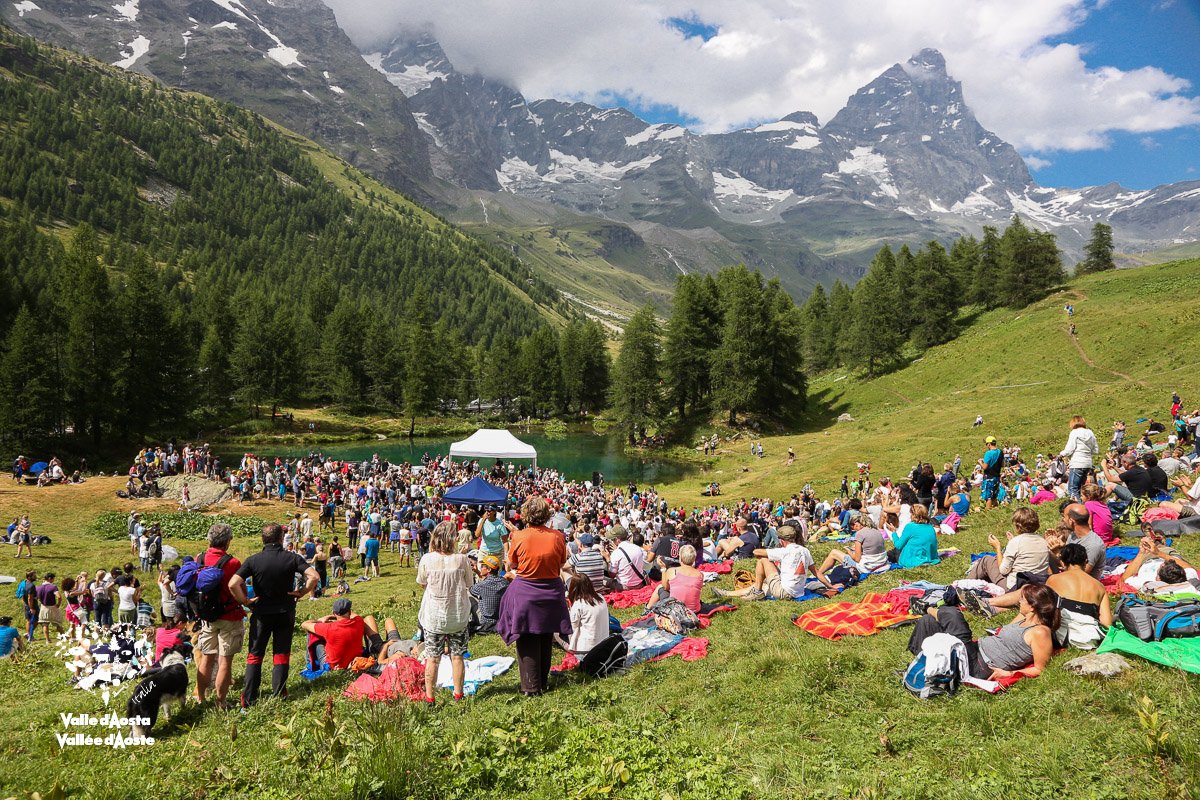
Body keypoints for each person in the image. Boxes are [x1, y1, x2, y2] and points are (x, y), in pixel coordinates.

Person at [228, 523, 320, 708]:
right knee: (281, 653)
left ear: (263, 539)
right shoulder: (292, 557)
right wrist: (301, 592)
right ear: (280, 538)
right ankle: (279, 693)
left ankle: (249, 698)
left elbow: (233, 584)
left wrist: (245, 601)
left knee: (255, 655)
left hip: (261, 613)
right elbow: (314, 576)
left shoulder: (253, 560)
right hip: (285, 611)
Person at [967, 544, 1111, 649]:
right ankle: (995, 613)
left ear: (1062, 562)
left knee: (1034, 602)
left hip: (1064, 637)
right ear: (1085, 561)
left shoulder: (1055, 579)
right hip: (1091, 639)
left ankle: (1004, 630)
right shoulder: (1099, 586)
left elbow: (1039, 604)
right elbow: (1107, 623)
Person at [497, 496, 571, 697]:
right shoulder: (557, 536)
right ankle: (543, 682)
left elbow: (513, 564)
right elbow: (561, 562)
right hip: (551, 592)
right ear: (546, 514)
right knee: (546, 636)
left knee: (527, 638)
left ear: (525, 514)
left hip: (527, 592)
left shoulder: (519, 536)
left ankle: (531, 687)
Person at [908, 583, 1060, 680]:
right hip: (975, 650)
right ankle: (918, 666)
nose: (1019, 601)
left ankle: (926, 608)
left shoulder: (1040, 632)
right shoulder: (1025, 619)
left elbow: (1039, 668)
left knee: (953, 615)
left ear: (1032, 607)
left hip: (980, 666)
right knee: (928, 622)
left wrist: (1010, 674)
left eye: (1022, 600)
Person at [415, 520, 475, 702]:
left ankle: (430, 698)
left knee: (432, 658)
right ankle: (458, 694)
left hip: (434, 617)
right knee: (457, 656)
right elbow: (469, 583)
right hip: (457, 615)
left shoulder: (427, 559)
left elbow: (422, 583)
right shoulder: (462, 560)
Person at [713, 524, 839, 601]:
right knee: (762, 585)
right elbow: (817, 572)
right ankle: (728, 593)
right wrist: (830, 586)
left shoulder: (783, 551)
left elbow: (756, 552)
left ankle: (756, 593)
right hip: (797, 592)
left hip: (785, 592)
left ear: (781, 540)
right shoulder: (805, 551)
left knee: (763, 560)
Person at [194, 523, 245, 710]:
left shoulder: (199, 558)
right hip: (229, 615)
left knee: (206, 658)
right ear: (227, 541)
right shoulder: (233, 563)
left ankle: (200, 698)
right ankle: (220, 702)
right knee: (225, 661)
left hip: (207, 617)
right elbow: (238, 588)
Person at [968, 507, 1050, 588]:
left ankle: (964, 586)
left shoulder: (1016, 542)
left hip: (1015, 587)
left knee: (986, 560)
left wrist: (997, 548)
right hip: (1038, 586)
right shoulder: (1043, 541)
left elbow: (1003, 571)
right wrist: (1013, 541)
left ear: (1018, 526)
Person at [300, 598, 372, 670]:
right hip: (353, 661)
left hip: (333, 667)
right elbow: (354, 615)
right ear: (349, 611)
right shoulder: (358, 621)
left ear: (334, 613)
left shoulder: (328, 627)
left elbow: (304, 624)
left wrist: (320, 621)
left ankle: (309, 664)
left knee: (311, 632)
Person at [1121, 532, 1197, 593]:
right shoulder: (1186, 578)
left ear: (1158, 578)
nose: (1162, 563)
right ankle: (1160, 543)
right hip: (1167, 555)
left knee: (1158, 547)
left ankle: (1156, 542)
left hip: (1147, 559)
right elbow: (1188, 567)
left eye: (1161, 566)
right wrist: (1158, 553)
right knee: (1164, 549)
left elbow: (1125, 579)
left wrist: (1141, 552)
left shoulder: (1147, 582)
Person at [817, 512, 889, 575]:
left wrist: (849, 551)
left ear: (856, 525)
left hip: (867, 568)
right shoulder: (876, 531)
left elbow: (857, 559)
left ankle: (818, 574)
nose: (855, 531)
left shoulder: (860, 533)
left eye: (854, 529)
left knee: (834, 552)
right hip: (881, 563)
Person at [556, 574, 609, 658]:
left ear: (573, 588)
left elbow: (571, 627)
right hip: (604, 644)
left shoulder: (579, 604)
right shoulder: (601, 597)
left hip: (584, 650)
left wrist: (568, 610)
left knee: (555, 630)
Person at [887, 504, 941, 569]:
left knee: (892, 552)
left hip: (911, 561)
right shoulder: (930, 527)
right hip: (929, 558)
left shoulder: (910, 526)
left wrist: (893, 532)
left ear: (914, 515)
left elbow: (898, 545)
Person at [1058, 416, 1098, 502]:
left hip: (1077, 462)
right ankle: (1084, 503)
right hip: (1087, 463)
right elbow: (1095, 449)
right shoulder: (1090, 433)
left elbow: (1069, 449)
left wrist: (1061, 454)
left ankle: (1077, 506)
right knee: (1081, 487)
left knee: (1073, 488)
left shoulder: (1074, 432)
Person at [469, 554, 508, 634]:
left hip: (485, 621)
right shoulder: (504, 582)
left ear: (489, 569)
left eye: (482, 566)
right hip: (500, 619)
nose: (480, 568)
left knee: (469, 596)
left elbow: (471, 590)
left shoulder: (482, 585)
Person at [35, 573, 65, 642]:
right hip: (52, 607)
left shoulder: (38, 587)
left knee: (45, 624)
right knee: (57, 624)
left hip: (43, 607)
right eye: (53, 578)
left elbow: (36, 597)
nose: (53, 580)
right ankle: (63, 636)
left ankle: (47, 640)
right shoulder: (53, 587)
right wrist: (58, 604)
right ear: (49, 578)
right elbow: (59, 597)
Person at [979, 437, 1003, 509]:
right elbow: (1002, 464)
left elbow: (985, 467)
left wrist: (980, 462)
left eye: (986, 444)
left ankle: (988, 511)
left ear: (989, 444)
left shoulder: (988, 453)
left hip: (989, 477)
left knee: (988, 496)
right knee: (994, 495)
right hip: (997, 477)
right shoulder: (1000, 452)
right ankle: (995, 510)